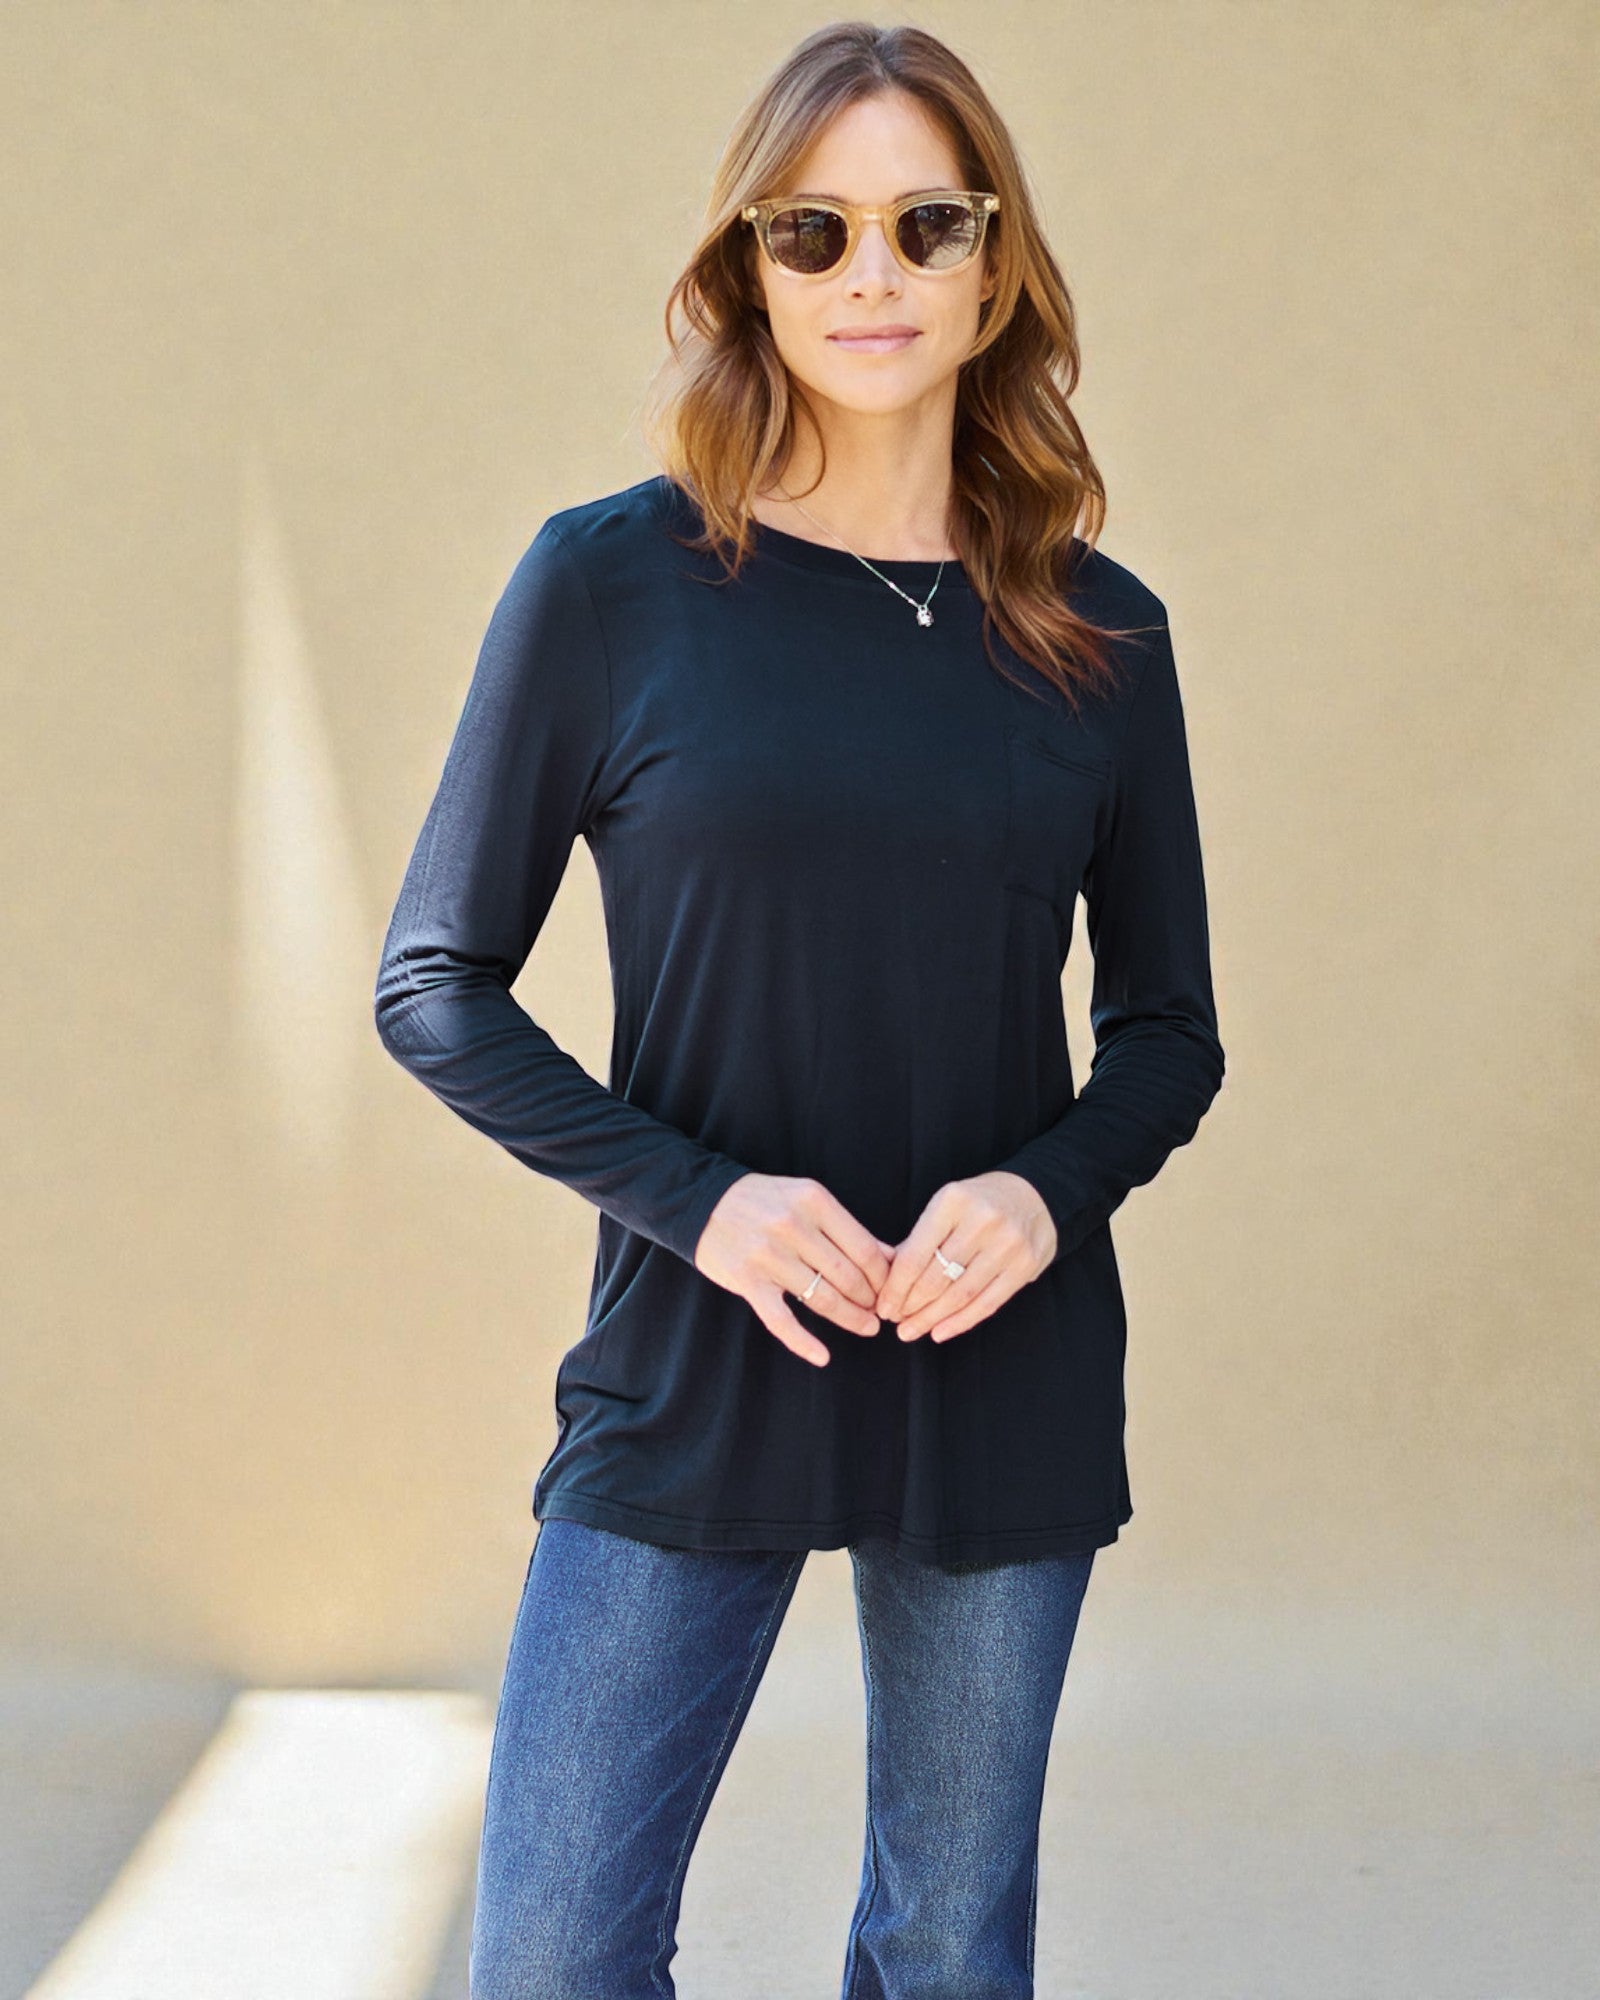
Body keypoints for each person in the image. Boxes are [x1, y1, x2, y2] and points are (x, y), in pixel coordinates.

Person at [373, 22, 1225, 2000]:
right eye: (811, 229)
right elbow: (435, 984)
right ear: (746, 267)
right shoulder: (613, 585)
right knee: (553, 1953)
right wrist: (709, 1205)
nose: (870, 274)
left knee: (945, 1952)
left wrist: (1040, 1196)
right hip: (696, 1344)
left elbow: (1168, 1027)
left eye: (927, 223)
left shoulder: (1101, 633)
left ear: (995, 263)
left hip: (993, 1359)